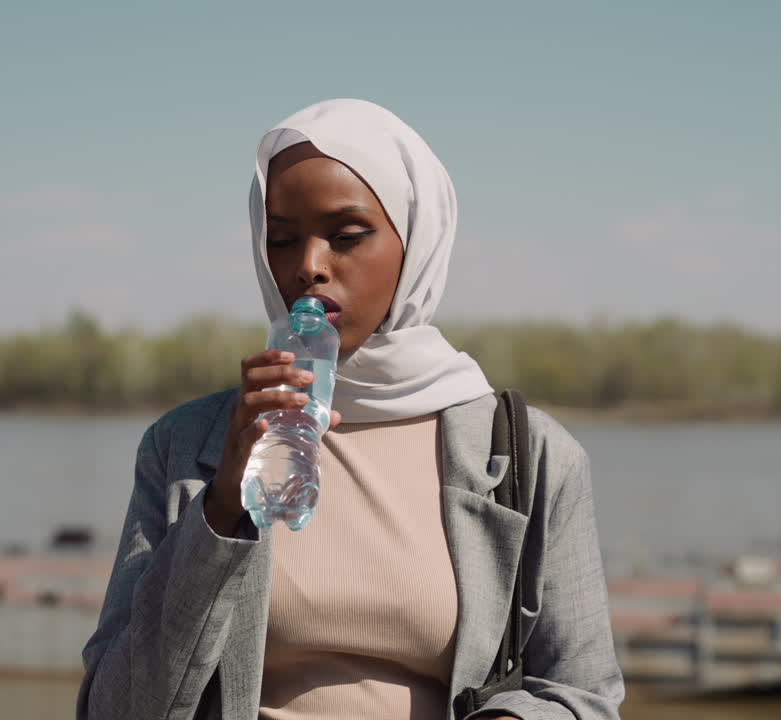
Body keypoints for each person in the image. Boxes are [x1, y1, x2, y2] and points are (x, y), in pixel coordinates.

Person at [77, 99, 623, 720]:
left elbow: (584, 698)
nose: (308, 267)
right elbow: (113, 709)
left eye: (346, 236)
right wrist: (222, 508)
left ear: (415, 244)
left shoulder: (528, 457)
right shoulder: (184, 446)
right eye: (281, 239)